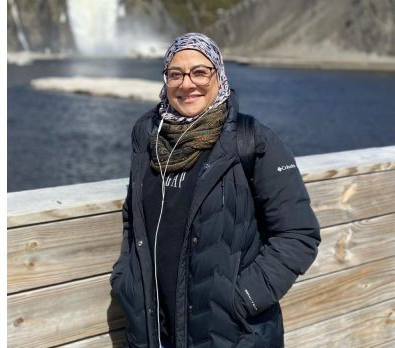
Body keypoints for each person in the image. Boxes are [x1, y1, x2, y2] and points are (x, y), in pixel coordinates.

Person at [110, 33, 320, 348]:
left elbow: (298, 234)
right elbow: (133, 217)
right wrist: (126, 281)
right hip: (154, 330)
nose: (186, 83)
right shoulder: (148, 137)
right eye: (175, 73)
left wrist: (240, 299)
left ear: (218, 74)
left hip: (229, 334)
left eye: (199, 71)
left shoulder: (253, 140)